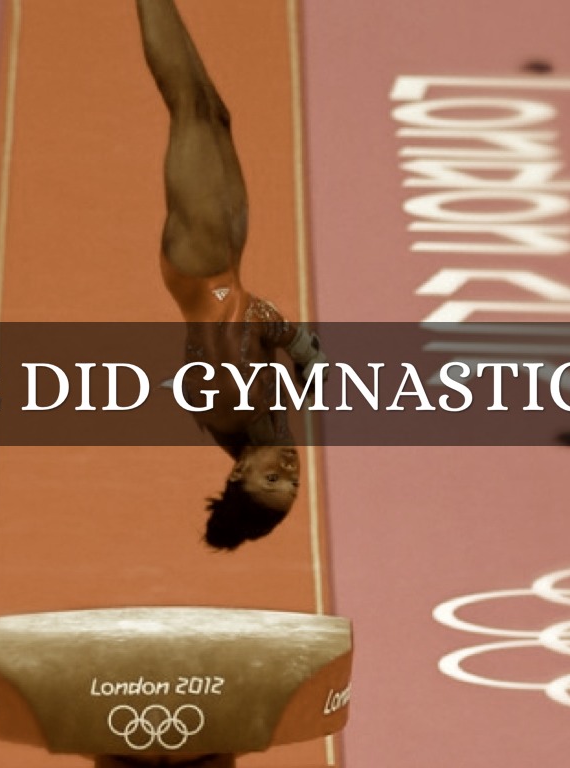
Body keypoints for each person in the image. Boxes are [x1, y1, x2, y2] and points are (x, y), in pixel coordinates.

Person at [135, 0, 326, 550]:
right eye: (292, 486)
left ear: (239, 471)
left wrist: (300, 345)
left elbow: (248, 315)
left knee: (189, 108)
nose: (288, 471)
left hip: (203, 264)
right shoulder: (261, 428)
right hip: (222, 264)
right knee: (212, 114)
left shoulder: (235, 408)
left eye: (272, 480)